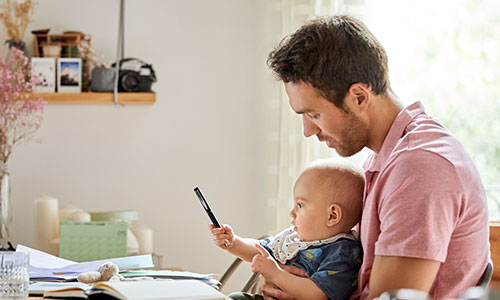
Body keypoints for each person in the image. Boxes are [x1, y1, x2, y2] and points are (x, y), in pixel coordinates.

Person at [263, 15, 489, 300]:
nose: (308, 131)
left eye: (314, 114)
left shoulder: (420, 167)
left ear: (358, 97)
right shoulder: (387, 159)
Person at [210, 160, 365, 300]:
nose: (292, 212)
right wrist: (233, 242)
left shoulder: (343, 253)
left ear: (332, 215)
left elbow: (318, 294)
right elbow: (261, 250)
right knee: (235, 297)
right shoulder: (295, 236)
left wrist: (276, 274)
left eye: (300, 205)